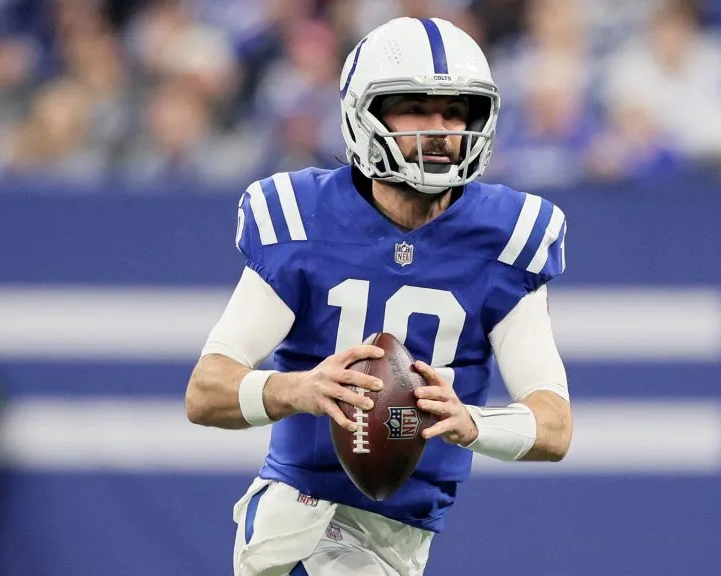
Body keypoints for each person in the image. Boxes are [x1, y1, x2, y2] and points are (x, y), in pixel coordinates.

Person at [186, 17, 572, 576]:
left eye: (456, 110)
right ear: (362, 114)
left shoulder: (505, 236)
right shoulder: (303, 218)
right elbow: (206, 390)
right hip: (302, 520)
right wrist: (302, 388)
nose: (440, 129)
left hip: (404, 534)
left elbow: (555, 424)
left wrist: (473, 422)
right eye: (414, 106)